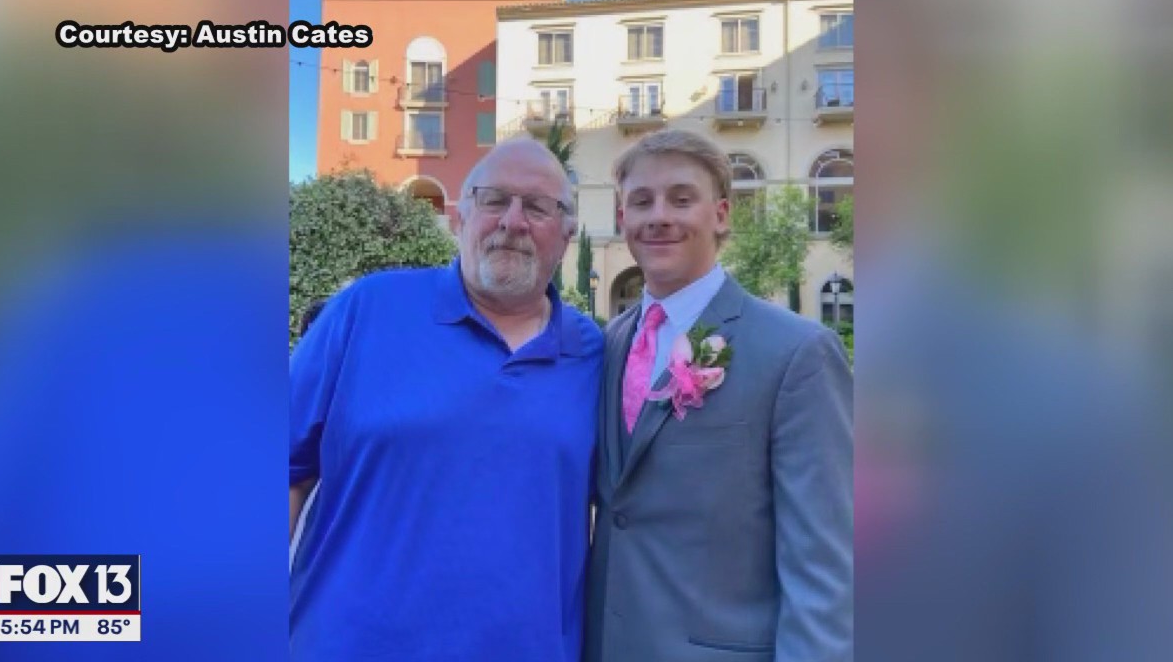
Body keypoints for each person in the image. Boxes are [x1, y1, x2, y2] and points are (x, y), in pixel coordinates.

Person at [288, 138, 604, 662]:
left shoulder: (594, 353)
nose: (513, 221)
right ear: (461, 216)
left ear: (568, 235)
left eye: (539, 207)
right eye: (494, 199)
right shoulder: (365, 310)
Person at [583, 129, 854, 662]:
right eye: (641, 201)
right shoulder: (608, 343)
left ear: (722, 215)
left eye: (682, 199)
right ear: (622, 220)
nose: (659, 215)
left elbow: (824, 566)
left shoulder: (798, 353)